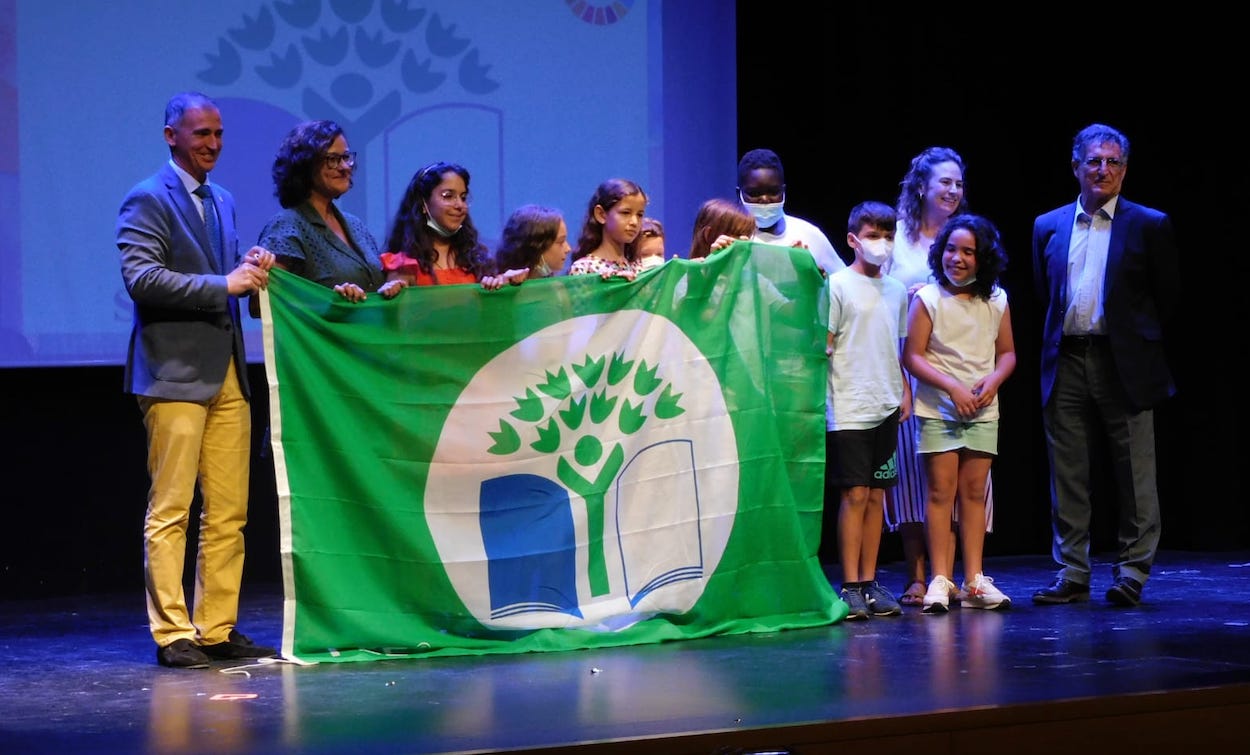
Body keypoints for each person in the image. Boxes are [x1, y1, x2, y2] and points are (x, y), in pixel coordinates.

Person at [116, 91, 278, 669]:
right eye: (200, 133)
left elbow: (226, 274)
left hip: (228, 374)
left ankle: (216, 627)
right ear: (171, 136)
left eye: (218, 134)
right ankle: (172, 632)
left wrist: (251, 266)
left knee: (230, 512)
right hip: (174, 375)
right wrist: (223, 284)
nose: (212, 143)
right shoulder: (147, 197)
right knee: (172, 509)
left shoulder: (224, 200)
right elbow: (142, 278)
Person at [1031, 123, 1179, 607]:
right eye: (1094, 161)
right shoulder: (1047, 225)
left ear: (1125, 170)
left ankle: (1132, 570)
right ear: (1076, 167)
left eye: (1113, 161)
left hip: (1124, 363)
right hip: (1068, 358)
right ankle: (1072, 571)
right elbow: (1044, 295)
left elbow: (1167, 298)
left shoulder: (1149, 223)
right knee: (1068, 472)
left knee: (1135, 473)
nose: (1104, 170)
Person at [885, 146, 993, 608]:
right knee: (914, 476)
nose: (953, 190)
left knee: (958, 476)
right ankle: (917, 572)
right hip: (909, 361)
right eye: (944, 182)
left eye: (959, 183)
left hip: (960, 367)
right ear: (922, 186)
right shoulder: (896, 238)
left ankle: (956, 574)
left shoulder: (962, 237)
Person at [903, 214, 1016, 613]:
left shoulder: (997, 299)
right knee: (939, 493)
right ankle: (940, 578)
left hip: (983, 411)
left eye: (968, 251)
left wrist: (993, 382)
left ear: (983, 257)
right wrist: (951, 388)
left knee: (973, 495)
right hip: (938, 409)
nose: (958, 258)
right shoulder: (928, 299)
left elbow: (1007, 354)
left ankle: (974, 579)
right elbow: (912, 356)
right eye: (951, 249)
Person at [824, 200, 910, 620]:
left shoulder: (895, 290)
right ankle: (851, 583)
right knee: (854, 493)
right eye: (874, 236)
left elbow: (895, 345)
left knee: (878, 496)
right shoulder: (838, 284)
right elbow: (827, 344)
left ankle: (872, 581)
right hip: (848, 403)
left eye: (888, 235)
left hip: (885, 402)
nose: (882, 244)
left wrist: (904, 391)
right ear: (853, 239)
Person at [255, 119, 393, 304]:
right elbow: (261, 303)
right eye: (333, 159)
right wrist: (329, 302)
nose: (344, 167)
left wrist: (392, 287)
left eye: (346, 157)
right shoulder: (288, 226)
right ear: (305, 166)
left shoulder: (356, 226)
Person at [378, 161, 522, 293]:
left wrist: (501, 285)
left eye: (463, 197)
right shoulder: (404, 266)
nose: (460, 205)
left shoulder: (477, 260)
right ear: (423, 204)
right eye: (448, 196)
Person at [736, 148, 845, 276]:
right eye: (754, 193)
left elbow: (842, 286)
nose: (765, 199)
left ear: (783, 191)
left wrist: (819, 279)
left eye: (773, 192)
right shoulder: (730, 239)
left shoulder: (809, 235)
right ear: (739, 194)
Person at [568, 178, 648, 279]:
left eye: (640, 215)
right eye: (625, 213)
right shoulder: (584, 269)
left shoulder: (639, 269)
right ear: (601, 215)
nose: (634, 222)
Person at [493, 203, 572, 279]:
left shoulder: (557, 286)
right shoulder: (506, 287)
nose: (568, 249)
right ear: (537, 247)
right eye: (560, 242)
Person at [687, 197, 756, 260]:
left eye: (748, 236)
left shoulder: (752, 272)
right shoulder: (688, 273)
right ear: (708, 234)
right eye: (737, 234)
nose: (744, 241)